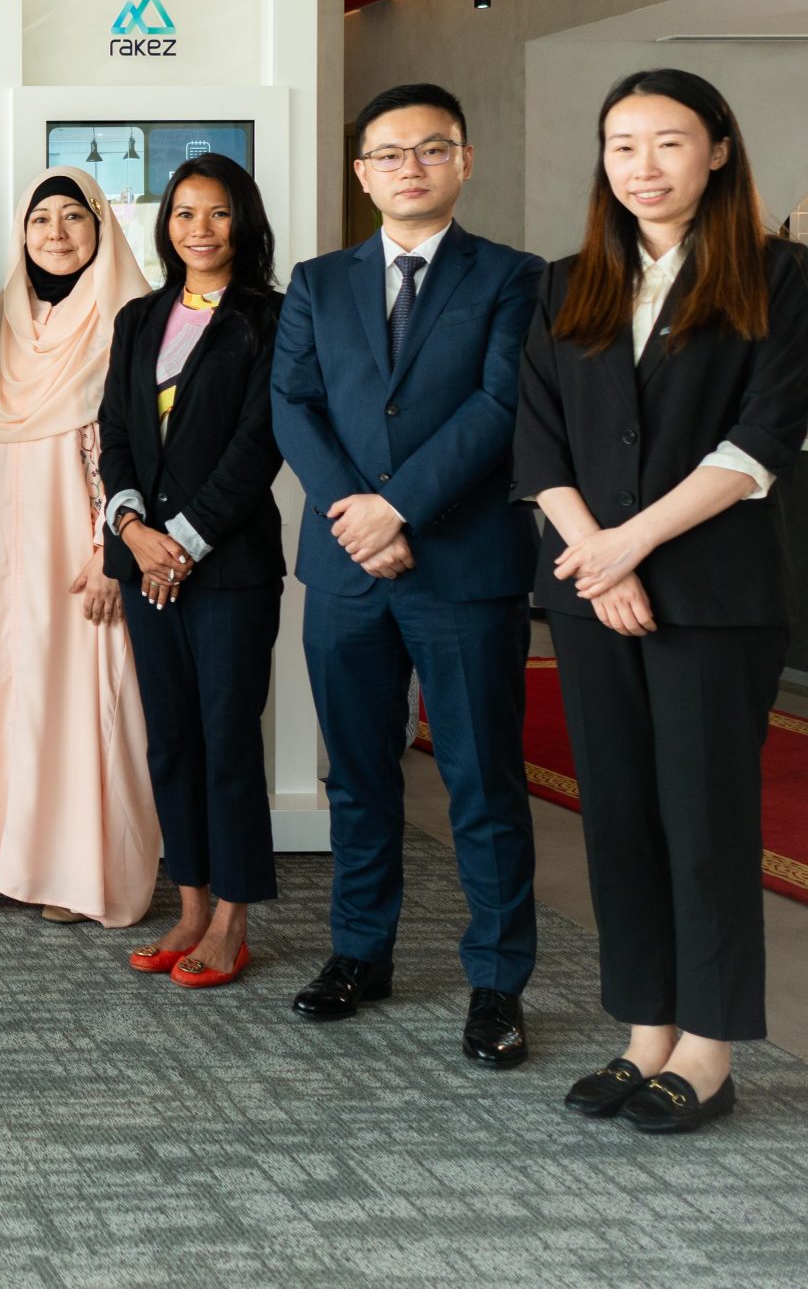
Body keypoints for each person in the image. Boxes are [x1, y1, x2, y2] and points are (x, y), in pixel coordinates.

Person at [516, 69, 808, 1134]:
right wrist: (597, 557)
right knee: (622, 821)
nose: (642, 167)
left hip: (712, 596)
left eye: (669, 143)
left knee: (703, 822)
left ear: (719, 149)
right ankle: (643, 1030)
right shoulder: (564, 285)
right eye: (622, 145)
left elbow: (762, 440)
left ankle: (711, 1047)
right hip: (595, 587)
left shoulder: (781, 278)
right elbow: (539, 441)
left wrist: (628, 546)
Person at [271, 83, 543, 1065]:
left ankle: (497, 983)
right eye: (389, 154)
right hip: (346, 570)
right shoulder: (317, 281)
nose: (410, 167)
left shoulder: (515, 277)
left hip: (462, 564)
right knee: (356, 772)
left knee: (481, 781)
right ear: (361, 173)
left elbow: (499, 404)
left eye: (431, 150)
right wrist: (356, 515)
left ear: (463, 161)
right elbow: (292, 406)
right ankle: (359, 952)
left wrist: (400, 508)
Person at [97, 152, 284, 987]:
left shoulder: (273, 319)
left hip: (230, 566)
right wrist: (134, 531)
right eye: (183, 214)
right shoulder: (139, 317)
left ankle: (235, 920)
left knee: (226, 740)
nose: (199, 230)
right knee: (170, 740)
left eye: (215, 213)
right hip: (147, 566)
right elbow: (116, 434)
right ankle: (192, 904)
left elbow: (259, 445)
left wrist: (184, 539)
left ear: (242, 220)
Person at [0, 165, 158, 928]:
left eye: (73, 217)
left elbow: (137, 445)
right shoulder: (0, 320)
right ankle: (14, 857)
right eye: (40, 220)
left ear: (100, 227)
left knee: (86, 705)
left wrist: (113, 552)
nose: (56, 233)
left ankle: (82, 873)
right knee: (16, 698)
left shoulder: (130, 315)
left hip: (87, 548)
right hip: (10, 552)